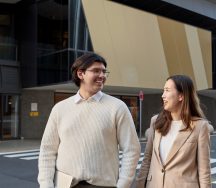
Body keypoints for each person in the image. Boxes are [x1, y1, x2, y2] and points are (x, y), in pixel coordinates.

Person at [38, 53, 141, 188]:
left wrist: (123, 184)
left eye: (104, 71)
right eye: (96, 71)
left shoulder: (117, 107)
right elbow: (47, 150)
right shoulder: (60, 108)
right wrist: (46, 184)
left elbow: (132, 149)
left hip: (103, 185)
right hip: (65, 184)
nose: (102, 76)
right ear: (80, 74)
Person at [136, 75, 211, 188]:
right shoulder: (156, 121)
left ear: (181, 96)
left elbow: (204, 170)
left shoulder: (200, 126)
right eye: (163, 91)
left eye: (167, 90)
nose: (163, 95)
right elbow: (147, 158)